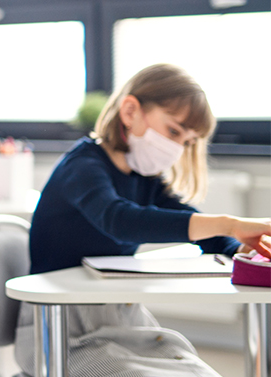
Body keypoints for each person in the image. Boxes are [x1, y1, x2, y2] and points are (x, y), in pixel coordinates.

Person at [14, 63, 271, 376]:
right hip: (60, 328)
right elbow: (119, 219)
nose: (177, 148)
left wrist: (240, 249)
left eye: (187, 142)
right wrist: (231, 223)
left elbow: (200, 229)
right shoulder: (82, 167)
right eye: (174, 131)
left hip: (122, 319)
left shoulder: (145, 179)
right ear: (130, 111)